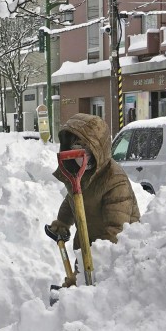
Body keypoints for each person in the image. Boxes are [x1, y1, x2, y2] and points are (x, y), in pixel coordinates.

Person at [46, 113, 140, 286]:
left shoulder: (114, 180)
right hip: (87, 245)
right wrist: (62, 222)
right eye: (77, 146)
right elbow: (72, 199)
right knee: (79, 291)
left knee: (98, 296)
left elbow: (117, 231)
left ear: (99, 149)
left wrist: (95, 263)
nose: (81, 154)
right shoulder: (79, 174)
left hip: (115, 254)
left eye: (87, 149)